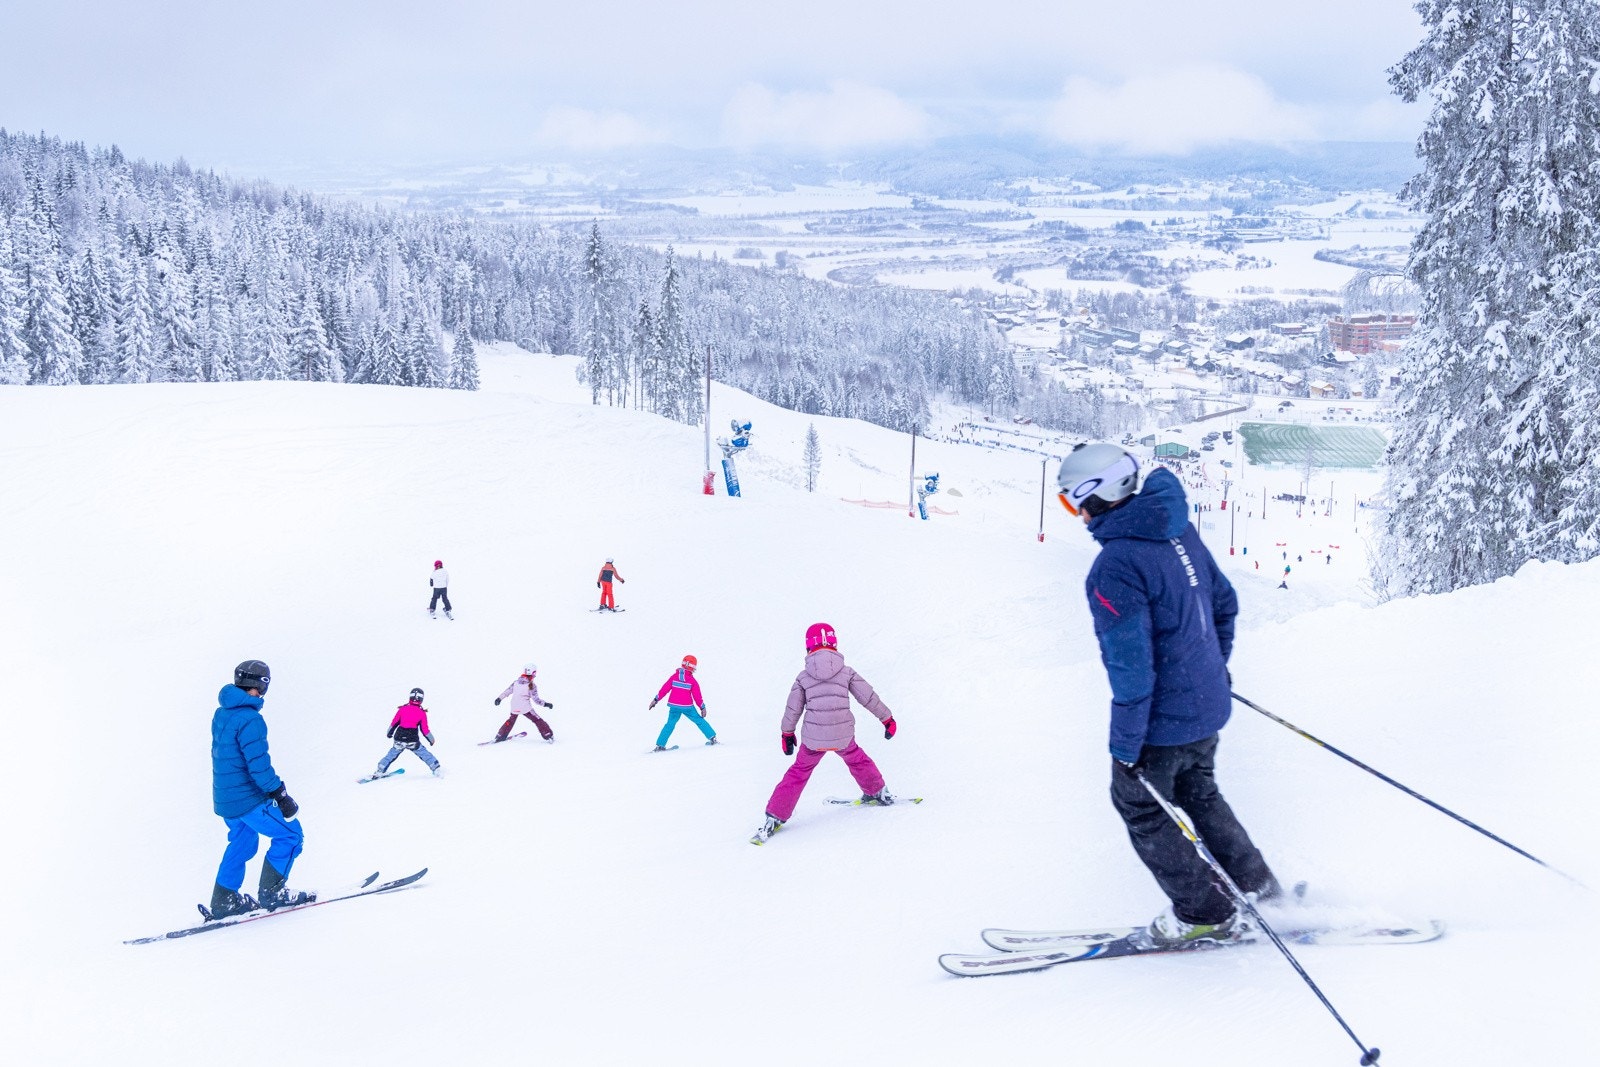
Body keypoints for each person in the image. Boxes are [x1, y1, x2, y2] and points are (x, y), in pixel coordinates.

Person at [1056, 443, 1281, 946]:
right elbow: (1224, 604)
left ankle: (1204, 910)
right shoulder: (1175, 526)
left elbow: (1130, 667)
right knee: (1200, 795)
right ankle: (1260, 890)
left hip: (1164, 723)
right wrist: (1210, 671)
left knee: (1138, 803)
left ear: (1096, 494)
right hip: (1206, 707)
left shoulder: (1116, 564)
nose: (1077, 514)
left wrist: (1126, 746)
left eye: (1073, 502)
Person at [752, 623, 897, 843]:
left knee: (798, 772)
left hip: (813, 739)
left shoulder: (803, 677)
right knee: (858, 760)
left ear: (808, 647)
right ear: (834, 643)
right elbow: (868, 697)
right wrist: (886, 719)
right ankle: (877, 792)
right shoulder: (847, 672)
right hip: (843, 736)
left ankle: (775, 815)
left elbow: (793, 708)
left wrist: (787, 734)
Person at [207, 659, 310, 919]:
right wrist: (280, 794)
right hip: (247, 798)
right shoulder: (250, 718)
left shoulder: (223, 712)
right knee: (291, 835)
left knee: (242, 841)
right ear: (261, 685)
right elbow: (258, 766)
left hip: (226, 798)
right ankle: (273, 892)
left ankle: (224, 899)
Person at [650, 655, 717, 750]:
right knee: (699, 720)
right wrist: (702, 707)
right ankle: (712, 738)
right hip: (687, 707)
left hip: (674, 706)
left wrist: (656, 699)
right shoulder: (692, 681)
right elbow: (697, 697)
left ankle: (660, 745)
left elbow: (664, 689)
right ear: (692, 667)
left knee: (669, 724)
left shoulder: (674, 677)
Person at [373, 687, 442, 777]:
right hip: (412, 739)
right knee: (423, 753)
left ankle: (380, 769)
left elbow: (394, 723)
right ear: (421, 700)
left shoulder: (402, 709)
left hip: (399, 738)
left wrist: (389, 733)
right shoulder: (421, 713)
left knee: (392, 754)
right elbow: (424, 729)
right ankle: (435, 767)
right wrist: (431, 739)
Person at [493, 663, 554, 742]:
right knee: (537, 720)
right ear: (533, 673)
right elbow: (536, 700)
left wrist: (499, 698)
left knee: (510, 721)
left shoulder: (516, 682)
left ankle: (500, 736)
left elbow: (507, 691)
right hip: (525, 708)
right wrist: (546, 704)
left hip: (514, 706)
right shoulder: (531, 685)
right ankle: (548, 735)